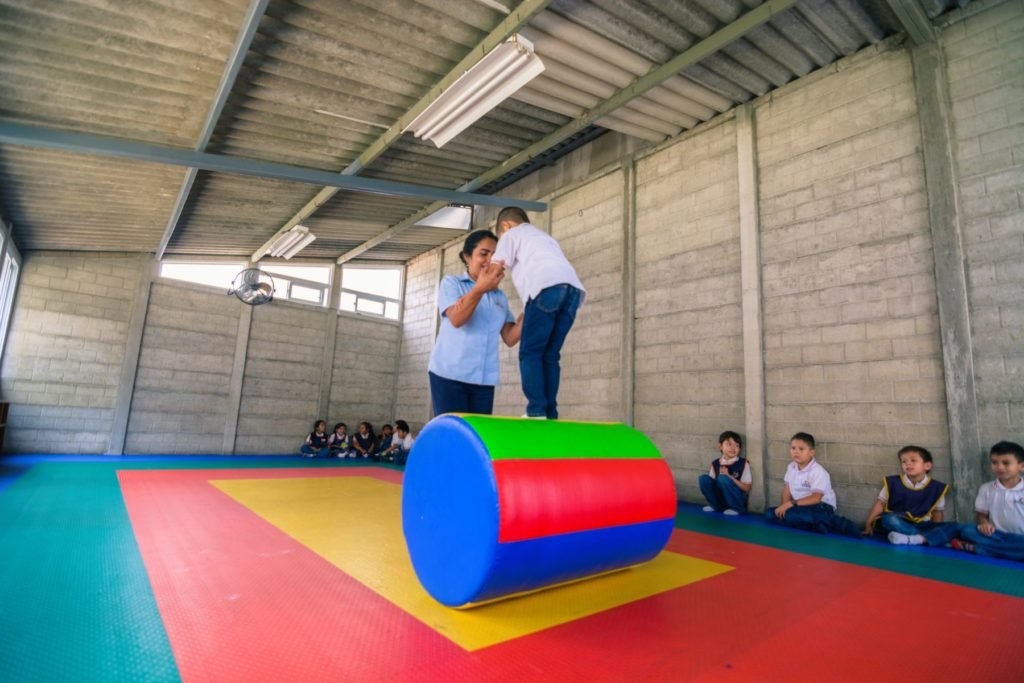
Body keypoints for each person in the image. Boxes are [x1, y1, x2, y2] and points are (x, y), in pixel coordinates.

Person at [492, 207, 585, 419]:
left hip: (546, 289)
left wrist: (480, 285)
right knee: (550, 355)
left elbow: (496, 266)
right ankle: (549, 411)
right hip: (572, 292)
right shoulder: (545, 238)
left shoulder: (512, 234)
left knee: (530, 352)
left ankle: (536, 410)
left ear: (505, 225)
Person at [428, 230, 523, 416]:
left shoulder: (499, 297)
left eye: (495, 255)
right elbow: (457, 319)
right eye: (484, 253)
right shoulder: (452, 283)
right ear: (467, 256)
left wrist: (532, 307)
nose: (490, 260)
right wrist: (480, 288)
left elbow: (510, 337)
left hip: (483, 380)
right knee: (455, 436)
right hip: (449, 375)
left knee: (477, 437)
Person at [763, 432, 859, 537]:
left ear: (812, 453)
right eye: (793, 448)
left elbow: (816, 498)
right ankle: (817, 526)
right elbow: (786, 490)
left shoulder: (817, 471)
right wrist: (783, 509)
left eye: (801, 449)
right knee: (770, 514)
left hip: (821, 507)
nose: (796, 452)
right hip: (799, 507)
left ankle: (835, 522)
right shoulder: (791, 467)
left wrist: (790, 504)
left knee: (795, 516)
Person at [861, 445, 958, 546]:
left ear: (927, 465)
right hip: (899, 521)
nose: (908, 464)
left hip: (923, 525)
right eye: (904, 461)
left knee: (955, 526)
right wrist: (868, 524)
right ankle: (927, 538)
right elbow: (880, 503)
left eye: (913, 460)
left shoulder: (937, 488)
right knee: (889, 519)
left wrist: (936, 527)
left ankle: (910, 538)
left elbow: (937, 513)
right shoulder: (893, 482)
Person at [953, 441, 1024, 561]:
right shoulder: (986, 488)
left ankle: (980, 549)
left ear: (1021, 466)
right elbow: (981, 515)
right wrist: (984, 524)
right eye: (995, 462)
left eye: (1006, 463)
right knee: (966, 530)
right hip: (995, 535)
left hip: (1021, 538)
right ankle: (1007, 551)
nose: (1000, 467)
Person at [698, 431, 751, 515]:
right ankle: (715, 505)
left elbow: (747, 488)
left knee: (723, 478)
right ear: (720, 446)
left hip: (737, 499)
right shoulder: (715, 463)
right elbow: (711, 485)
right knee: (703, 479)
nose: (733, 448)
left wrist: (729, 477)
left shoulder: (743, 463)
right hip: (722, 499)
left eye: (737, 445)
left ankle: (736, 508)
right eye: (729, 444)